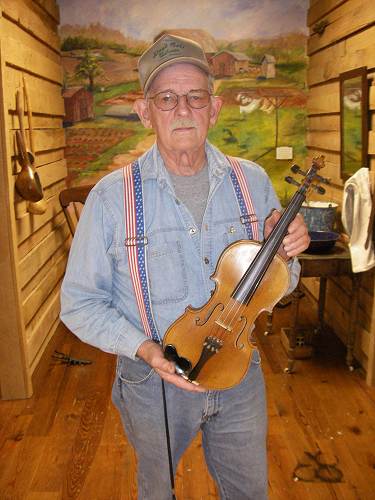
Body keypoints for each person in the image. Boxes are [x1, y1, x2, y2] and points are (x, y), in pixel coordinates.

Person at [61, 34, 310, 500]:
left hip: (240, 377)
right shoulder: (111, 199)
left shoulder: (252, 182)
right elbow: (79, 304)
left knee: (249, 492)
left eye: (195, 97)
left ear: (213, 110)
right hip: (155, 381)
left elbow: (280, 283)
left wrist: (289, 252)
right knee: (158, 492)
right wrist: (144, 349)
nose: (182, 110)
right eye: (167, 98)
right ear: (145, 111)